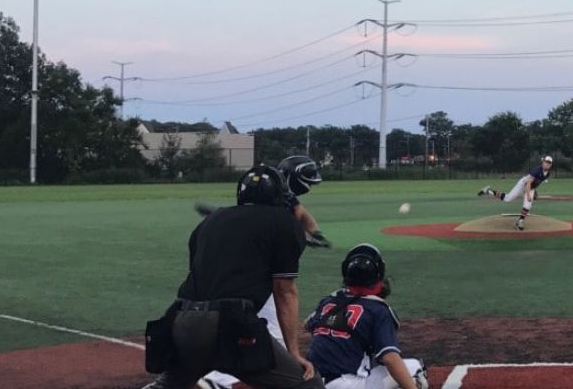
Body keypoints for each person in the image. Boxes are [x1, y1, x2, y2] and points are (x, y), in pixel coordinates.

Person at [140, 165, 324, 389]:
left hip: (181, 318)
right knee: (307, 384)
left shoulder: (209, 221)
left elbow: (199, 274)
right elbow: (285, 291)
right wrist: (293, 352)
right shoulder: (284, 223)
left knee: (170, 384)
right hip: (232, 326)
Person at [201, 156, 327, 389]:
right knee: (269, 347)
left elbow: (303, 216)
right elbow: (284, 290)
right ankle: (221, 381)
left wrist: (314, 233)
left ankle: (211, 375)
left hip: (196, 310)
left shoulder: (283, 198)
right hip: (261, 282)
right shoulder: (276, 202)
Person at [305, 244, 428, 389]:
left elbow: (308, 324)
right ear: (378, 275)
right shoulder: (378, 309)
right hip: (347, 384)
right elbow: (390, 358)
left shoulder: (329, 301)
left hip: (313, 382)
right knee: (414, 368)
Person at [476, 155, 553, 231]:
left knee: (527, 205)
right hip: (523, 184)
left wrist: (534, 191)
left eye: (549, 163)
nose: (547, 164)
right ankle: (488, 191)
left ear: (551, 165)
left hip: (531, 188)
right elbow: (528, 183)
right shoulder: (537, 170)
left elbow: (537, 182)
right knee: (508, 198)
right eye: (546, 162)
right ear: (543, 162)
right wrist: (529, 195)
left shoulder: (547, 174)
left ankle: (519, 222)